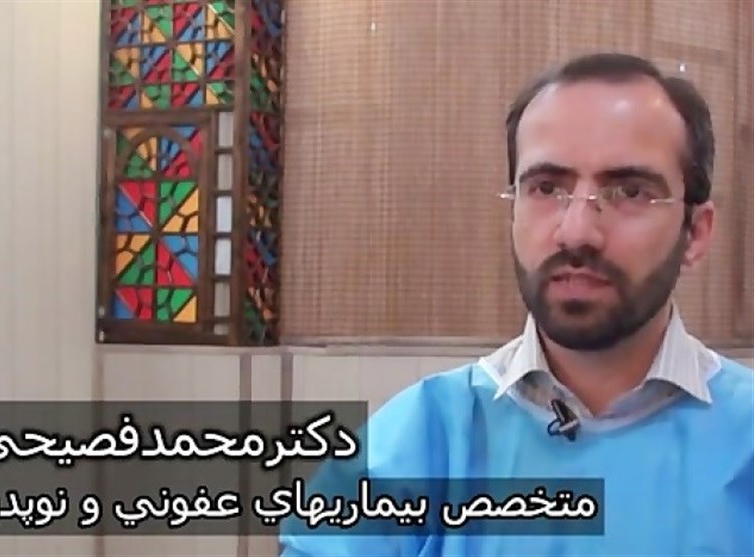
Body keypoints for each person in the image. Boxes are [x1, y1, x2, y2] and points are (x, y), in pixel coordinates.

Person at [278, 52, 754, 556]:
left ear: (695, 232)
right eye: (546, 188)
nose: (576, 231)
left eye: (630, 192)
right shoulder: (420, 442)